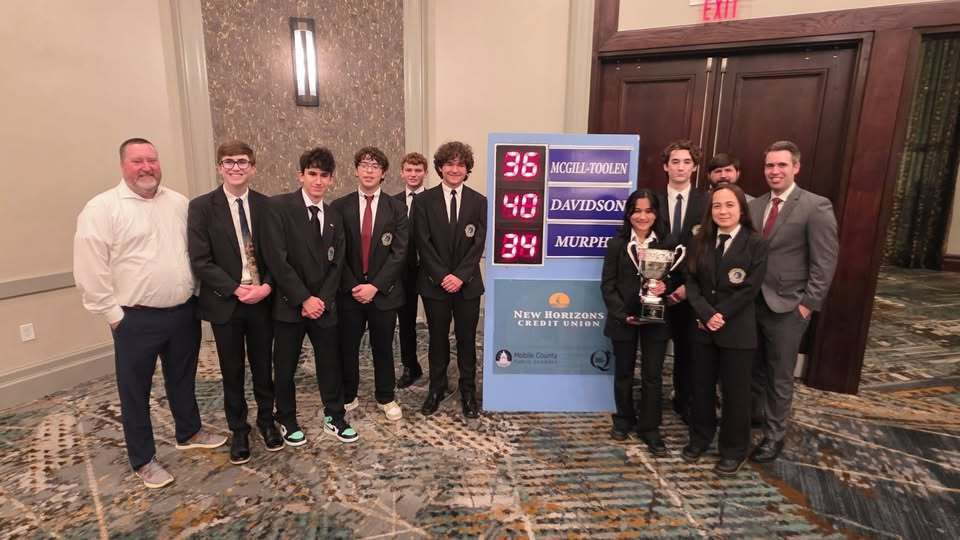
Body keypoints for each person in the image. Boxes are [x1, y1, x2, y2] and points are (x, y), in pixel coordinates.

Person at [74, 138, 226, 489]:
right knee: (135, 390)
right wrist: (113, 314)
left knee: (183, 379)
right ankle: (142, 458)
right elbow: (89, 268)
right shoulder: (102, 208)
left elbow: (193, 252)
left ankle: (188, 431)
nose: (146, 167)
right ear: (123, 165)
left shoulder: (177, 203)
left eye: (152, 160)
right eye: (137, 161)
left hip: (183, 312)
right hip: (134, 317)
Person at [187, 141, 282, 465]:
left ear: (252, 167)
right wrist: (236, 289)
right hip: (226, 302)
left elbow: (277, 255)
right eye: (229, 162)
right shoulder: (201, 207)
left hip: (262, 300)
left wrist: (267, 286)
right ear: (219, 167)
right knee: (231, 369)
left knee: (262, 366)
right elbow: (201, 261)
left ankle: (267, 422)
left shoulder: (267, 206)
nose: (236, 167)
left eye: (242, 162)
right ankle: (238, 429)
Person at [261, 146, 358, 445]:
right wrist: (304, 299)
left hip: (323, 306)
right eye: (312, 174)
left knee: (330, 363)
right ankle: (286, 418)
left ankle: (335, 415)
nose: (318, 181)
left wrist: (322, 300)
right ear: (300, 175)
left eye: (324, 176)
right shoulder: (279, 207)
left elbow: (337, 261)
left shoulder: (333, 215)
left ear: (331, 179)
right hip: (291, 305)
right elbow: (276, 259)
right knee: (286, 366)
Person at [749, 140, 838, 463]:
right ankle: (754, 417)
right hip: (752, 303)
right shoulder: (755, 205)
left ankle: (775, 435)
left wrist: (807, 304)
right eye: (770, 165)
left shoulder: (816, 206)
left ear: (796, 167)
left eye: (781, 165)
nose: (774, 171)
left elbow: (825, 261)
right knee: (754, 368)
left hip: (789, 306)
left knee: (780, 374)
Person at [682, 184, 767, 476]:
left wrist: (721, 314)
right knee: (701, 388)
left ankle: (733, 450)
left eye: (729, 205)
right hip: (703, 328)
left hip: (737, 330)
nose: (723, 211)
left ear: (741, 209)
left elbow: (749, 289)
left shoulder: (756, 243)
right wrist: (707, 313)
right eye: (717, 206)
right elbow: (691, 283)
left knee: (735, 394)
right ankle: (700, 438)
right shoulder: (699, 240)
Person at [331, 147, 408, 421]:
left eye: (375, 166)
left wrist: (375, 286)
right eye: (364, 165)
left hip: (384, 293)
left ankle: (386, 396)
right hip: (349, 292)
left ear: (383, 173)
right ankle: (348, 394)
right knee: (347, 347)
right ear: (355, 170)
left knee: (384, 347)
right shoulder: (339, 207)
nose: (368, 170)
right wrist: (354, 286)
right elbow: (336, 252)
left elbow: (399, 253)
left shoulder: (397, 208)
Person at [413, 141, 487, 418]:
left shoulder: (479, 202)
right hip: (435, 285)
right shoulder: (423, 201)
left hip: (467, 285)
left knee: (467, 339)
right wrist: (444, 276)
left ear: (467, 169)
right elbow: (423, 242)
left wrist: (460, 276)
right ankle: (437, 387)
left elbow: (478, 243)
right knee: (437, 339)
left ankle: (468, 390)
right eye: (449, 164)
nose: (455, 169)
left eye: (460, 164)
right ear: (440, 167)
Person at [600, 189, 675, 456]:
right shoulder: (617, 244)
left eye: (648, 210)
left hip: (656, 319)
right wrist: (622, 314)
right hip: (624, 320)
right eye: (637, 210)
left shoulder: (668, 244)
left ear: (656, 214)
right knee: (623, 372)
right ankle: (623, 420)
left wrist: (666, 287)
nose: (642, 216)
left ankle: (650, 428)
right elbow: (607, 285)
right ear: (629, 214)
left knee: (653, 376)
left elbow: (679, 281)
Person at [656, 140, 709, 423]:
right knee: (653, 348)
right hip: (655, 288)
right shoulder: (652, 200)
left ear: (695, 167)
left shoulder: (706, 202)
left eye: (686, 162)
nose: (680, 167)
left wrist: (688, 288)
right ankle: (652, 402)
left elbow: (709, 249)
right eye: (675, 161)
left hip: (691, 290)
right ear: (666, 166)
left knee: (688, 351)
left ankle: (683, 400)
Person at [393, 152, 428, 388]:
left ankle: (439, 367)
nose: (413, 175)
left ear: (425, 173)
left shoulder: (434, 200)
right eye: (409, 170)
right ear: (402, 172)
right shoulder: (393, 202)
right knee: (405, 322)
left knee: (437, 322)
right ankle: (410, 365)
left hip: (429, 270)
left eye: (418, 170)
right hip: (403, 272)